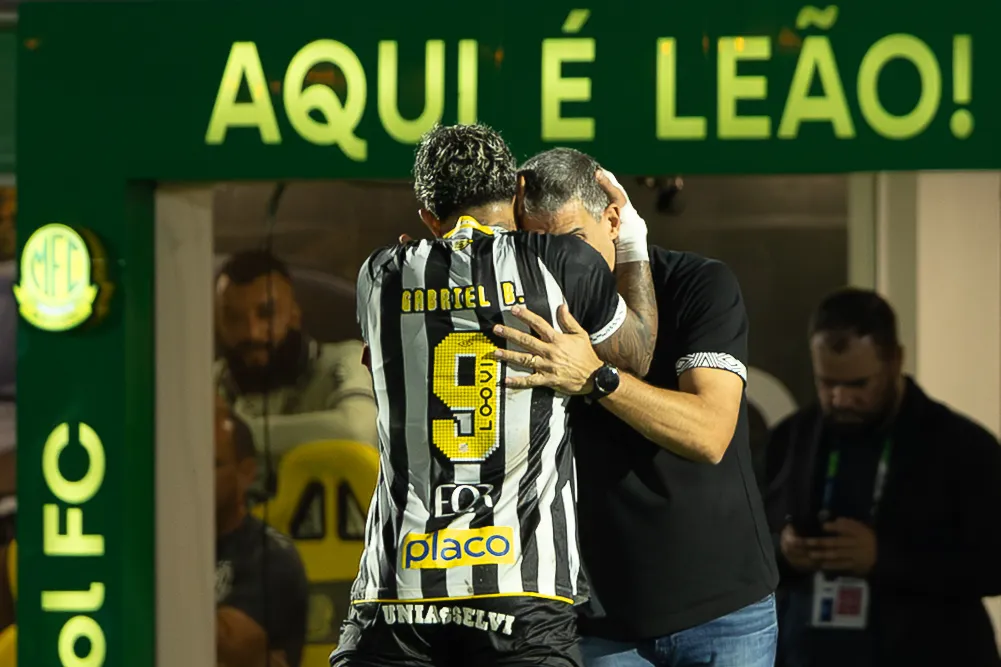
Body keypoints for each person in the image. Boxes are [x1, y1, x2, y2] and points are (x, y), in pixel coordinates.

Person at [330, 124, 658, 667]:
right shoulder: (561, 264)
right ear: (518, 196)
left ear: (428, 218)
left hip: (396, 597)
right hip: (521, 596)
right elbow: (637, 352)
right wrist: (631, 242)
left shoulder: (379, 274)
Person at [492, 147, 778, 667]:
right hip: (600, 620)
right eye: (538, 247)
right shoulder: (516, 304)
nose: (559, 266)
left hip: (722, 608)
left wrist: (598, 379)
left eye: (574, 243)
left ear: (614, 219)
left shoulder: (697, 285)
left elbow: (710, 433)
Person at [762, 288, 1001, 667]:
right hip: (808, 650)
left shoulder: (963, 446)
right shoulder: (790, 437)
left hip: (929, 650)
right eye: (827, 383)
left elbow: (993, 567)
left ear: (896, 361)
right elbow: (750, 539)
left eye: (858, 385)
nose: (840, 398)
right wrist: (784, 550)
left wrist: (883, 559)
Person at [215, 250, 378, 462]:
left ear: (293, 312)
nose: (251, 332)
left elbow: (358, 432)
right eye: (234, 318)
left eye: (266, 314)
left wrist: (238, 435)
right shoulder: (212, 380)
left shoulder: (345, 359)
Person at [215, 395, 309, 667]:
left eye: (213, 465)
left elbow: (234, 651)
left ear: (245, 473)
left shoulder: (271, 557)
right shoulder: (164, 546)